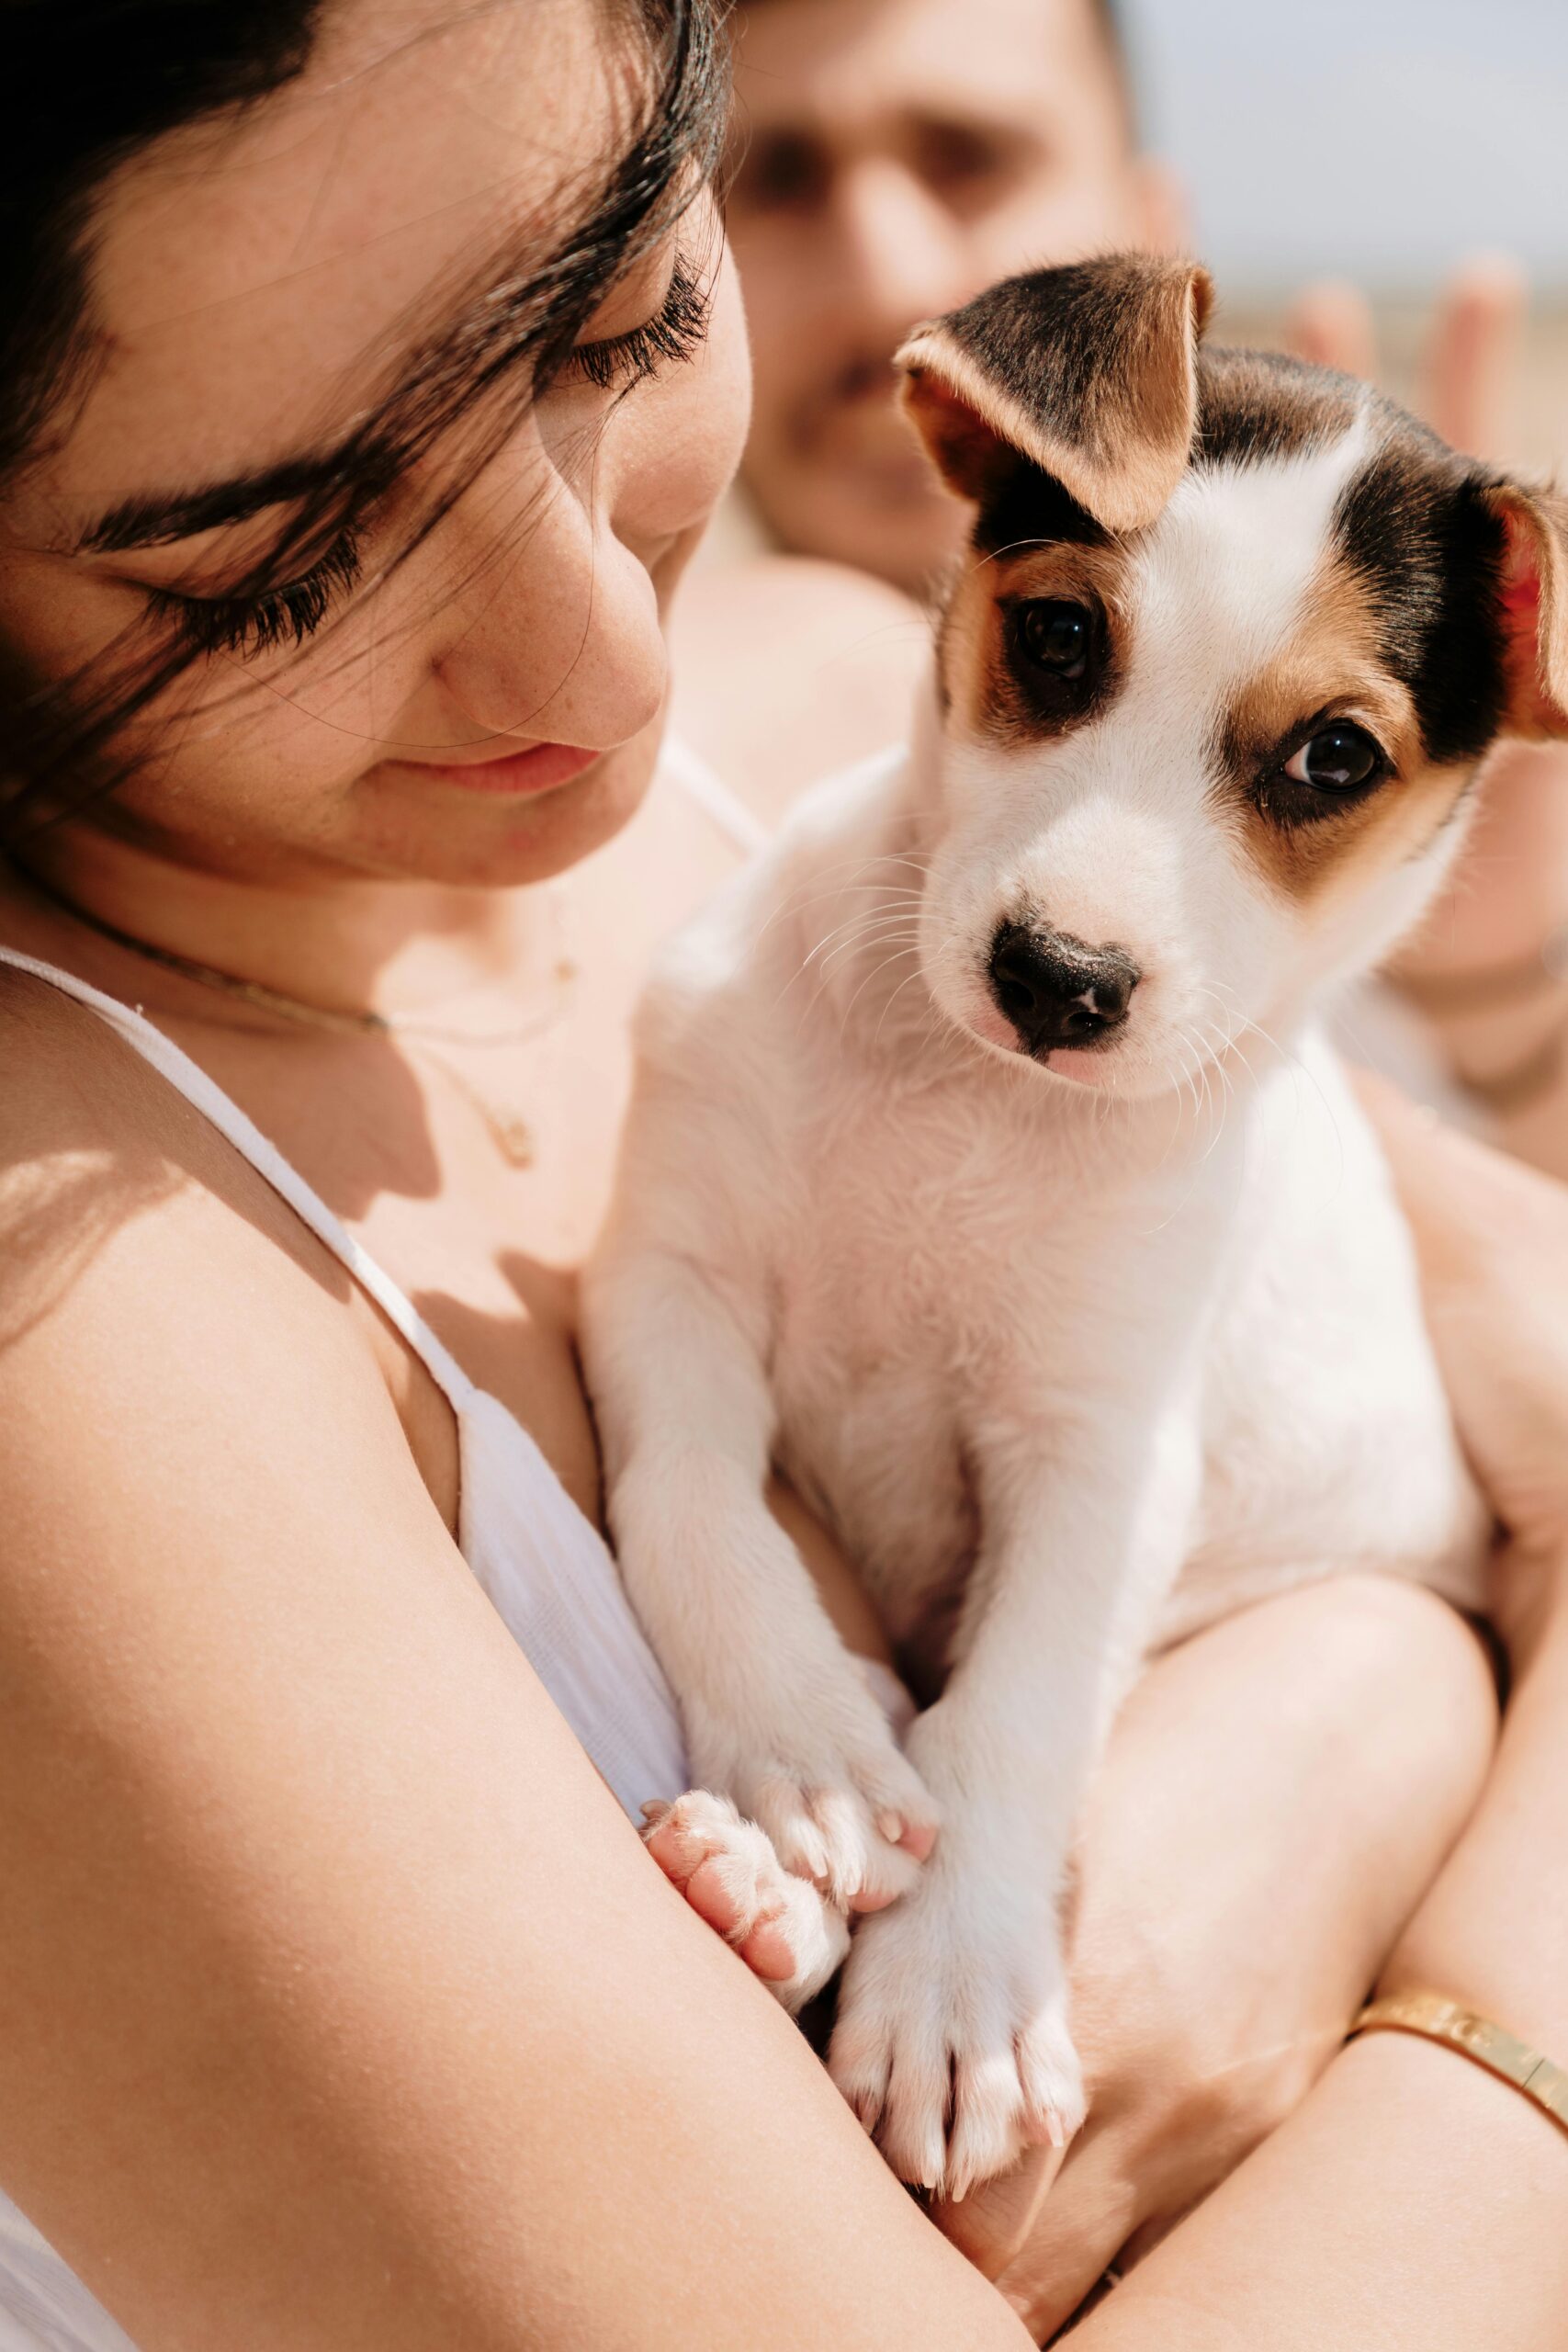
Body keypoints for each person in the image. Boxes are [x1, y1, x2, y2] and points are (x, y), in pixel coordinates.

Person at [0, 4, 1552, 2346]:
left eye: (628, 313)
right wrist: (1499, 1963)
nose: (598, 649)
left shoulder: (836, 701)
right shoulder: (62, 1338)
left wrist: (1349, 1716)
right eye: (281, 570)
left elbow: (1446, 1378)